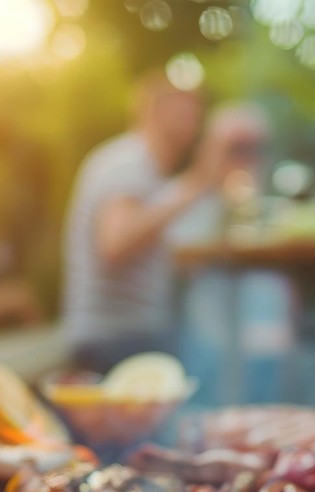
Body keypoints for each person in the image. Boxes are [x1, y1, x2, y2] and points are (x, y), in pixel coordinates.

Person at [60, 71, 240, 373]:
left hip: (131, 336)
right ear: (154, 109)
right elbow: (116, 243)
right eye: (185, 108)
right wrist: (195, 185)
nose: (195, 119)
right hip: (116, 339)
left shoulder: (149, 172)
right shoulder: (129, 161)